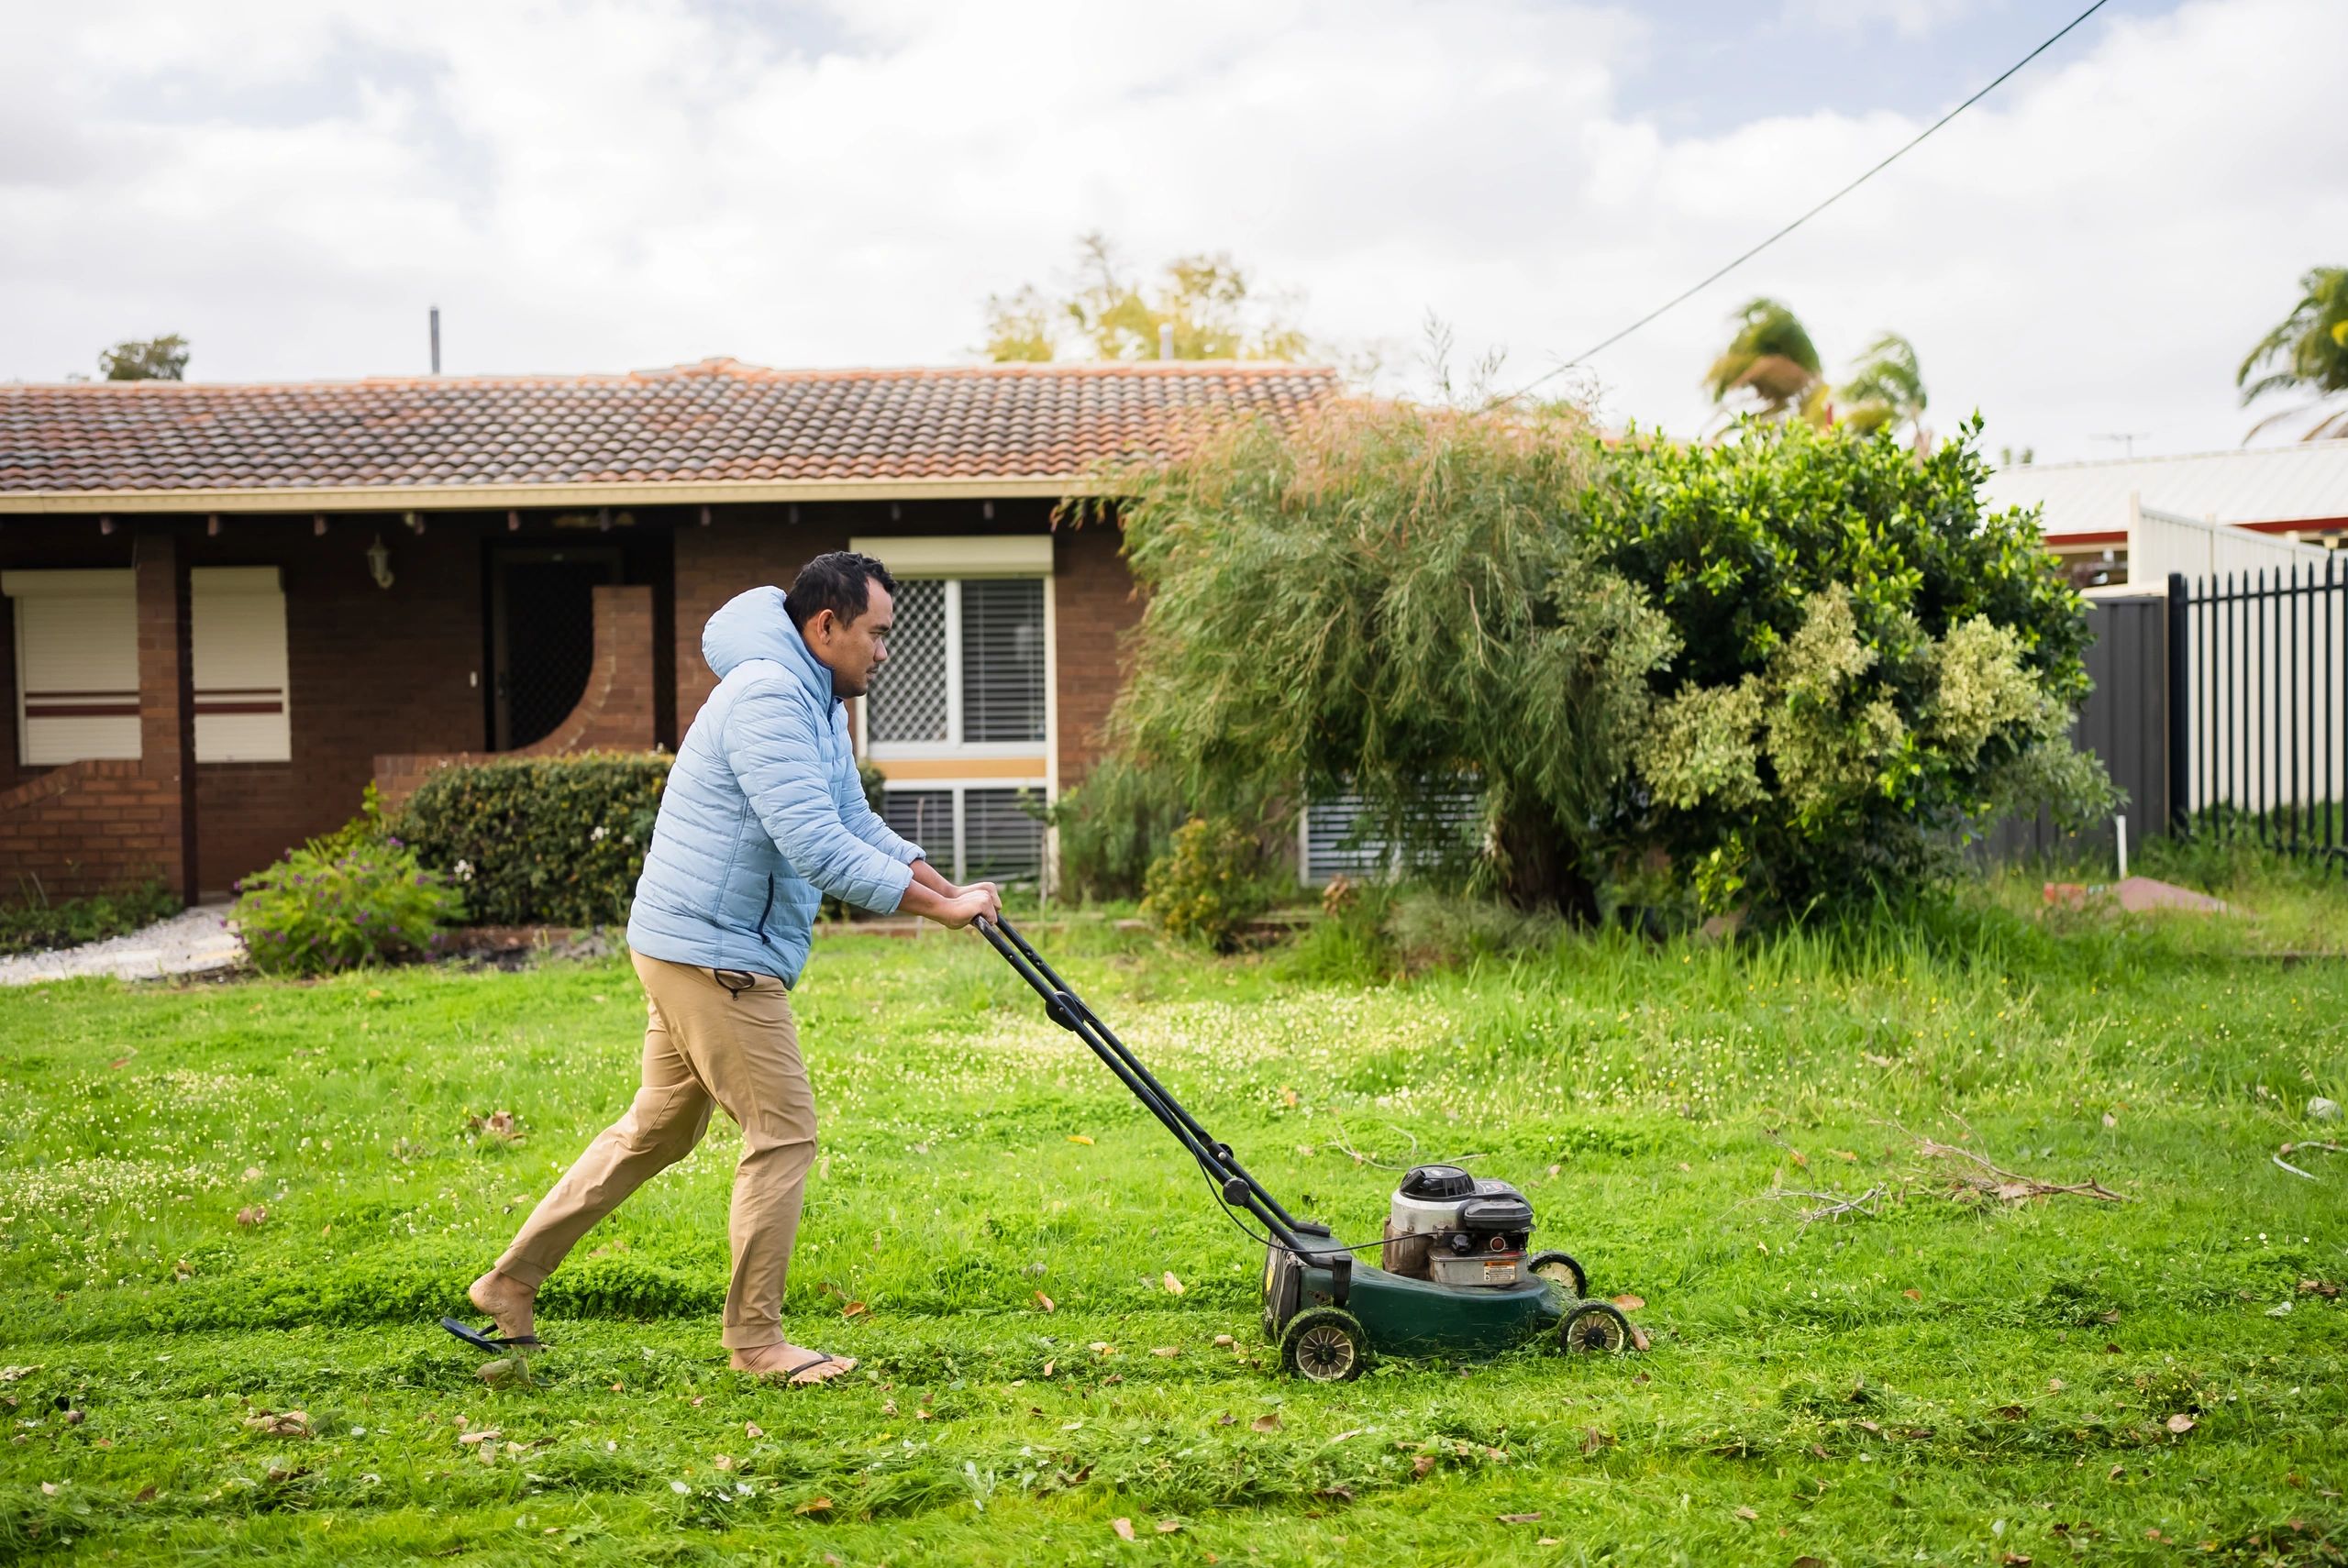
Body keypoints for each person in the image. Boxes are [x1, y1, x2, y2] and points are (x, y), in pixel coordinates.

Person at [458, 551, 1001, 1385]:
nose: (884, 653)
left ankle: (507, 1284)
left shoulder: (819, 703)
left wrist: (943, 886)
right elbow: (816, 849)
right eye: (876, 634)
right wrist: (936, 911)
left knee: (658, 1131)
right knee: (783, 1132)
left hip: (689, 939)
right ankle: (755, 1341)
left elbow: (851, 819)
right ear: (826, 627)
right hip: (715, 953)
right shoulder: (769, 700)